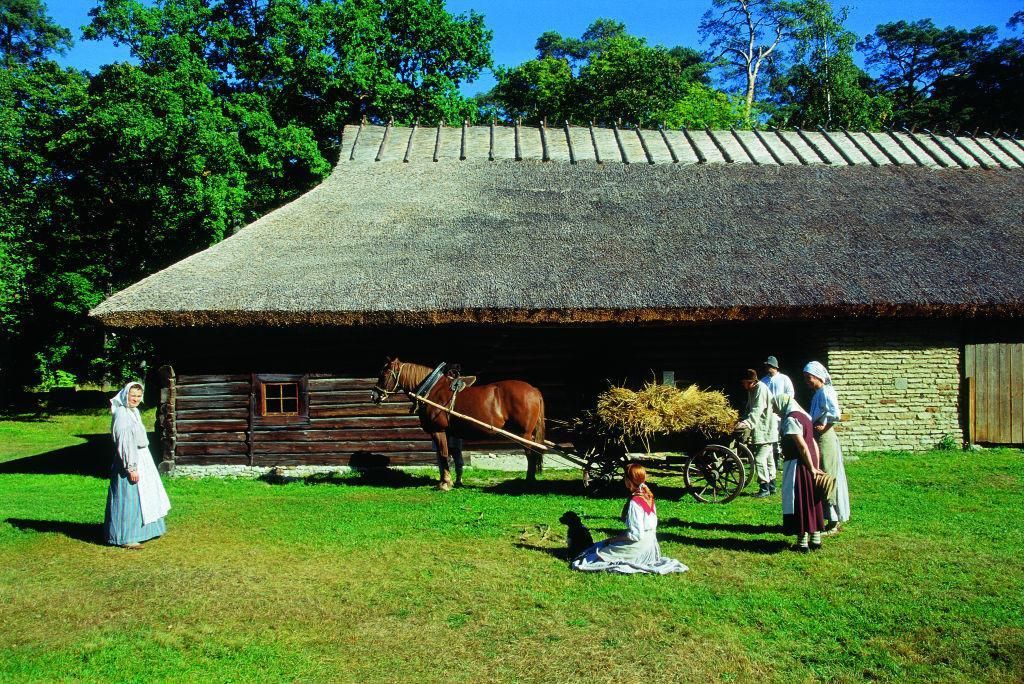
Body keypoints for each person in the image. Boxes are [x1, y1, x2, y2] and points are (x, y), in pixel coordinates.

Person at [571, 463, 688, 574]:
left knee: (595, 555)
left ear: (628, 481)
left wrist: (613, 540)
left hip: (639, 546)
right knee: (602, 546)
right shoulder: (648, 496)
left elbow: (636, 536)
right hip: (651, 545)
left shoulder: (635, 503)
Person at [105, 382, 171, 549]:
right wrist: (131, 467)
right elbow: (125, 442)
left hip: (142, 457)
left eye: (138, 396)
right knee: (129, 497)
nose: (135, 399)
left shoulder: (133, 412)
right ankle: (126, 536)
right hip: (130, 460)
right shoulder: (122, 413)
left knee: (145, 496)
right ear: (125, 395)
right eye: (132, 395)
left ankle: (145, 531)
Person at [771, 394, 826, 552]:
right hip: (809, 462)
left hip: (799, 465)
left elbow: (802, 446)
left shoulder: (792, 419)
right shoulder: (805, 416)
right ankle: (816, 539)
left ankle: (802, 543)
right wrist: (816, 464)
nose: (775, 410)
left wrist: (811, 467)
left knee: (800, 501)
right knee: (813, 499)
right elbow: (813, 443)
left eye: (775, 406)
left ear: (783, 404)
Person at [803, 362, 851, 534]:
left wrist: (826, 426)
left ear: (818, 377)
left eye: (809, 378)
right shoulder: (817, 393)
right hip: (819, 437)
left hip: (826, 438)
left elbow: (835, 413)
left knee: (828, 474)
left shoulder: (826, 391)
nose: (807, 382)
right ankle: (826, 517)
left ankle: (834, 520)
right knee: (822, 473)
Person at [736, 369, 778, 498]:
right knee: (769, 458)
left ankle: (764, 487)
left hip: (765, 429)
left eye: (744, 383)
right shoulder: (752, 390)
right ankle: (772, 486)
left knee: (759, 459)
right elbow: (749, 408)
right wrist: (742, 418)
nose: (743, 385)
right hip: (765, 429)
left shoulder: (760, 389)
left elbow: (757, 410)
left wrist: (746, 423)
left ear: (750, 382)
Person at [760, 356, 794, 470]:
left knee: (781, 436)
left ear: (774, 366)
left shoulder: (784, 379)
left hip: (781, 413)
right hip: (768, 414)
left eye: (768, 366)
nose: (766, 368)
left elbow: (790, 394)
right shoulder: (763, 381)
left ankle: (780, 457)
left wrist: (783, 407)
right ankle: (773, 459)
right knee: (771, 435)